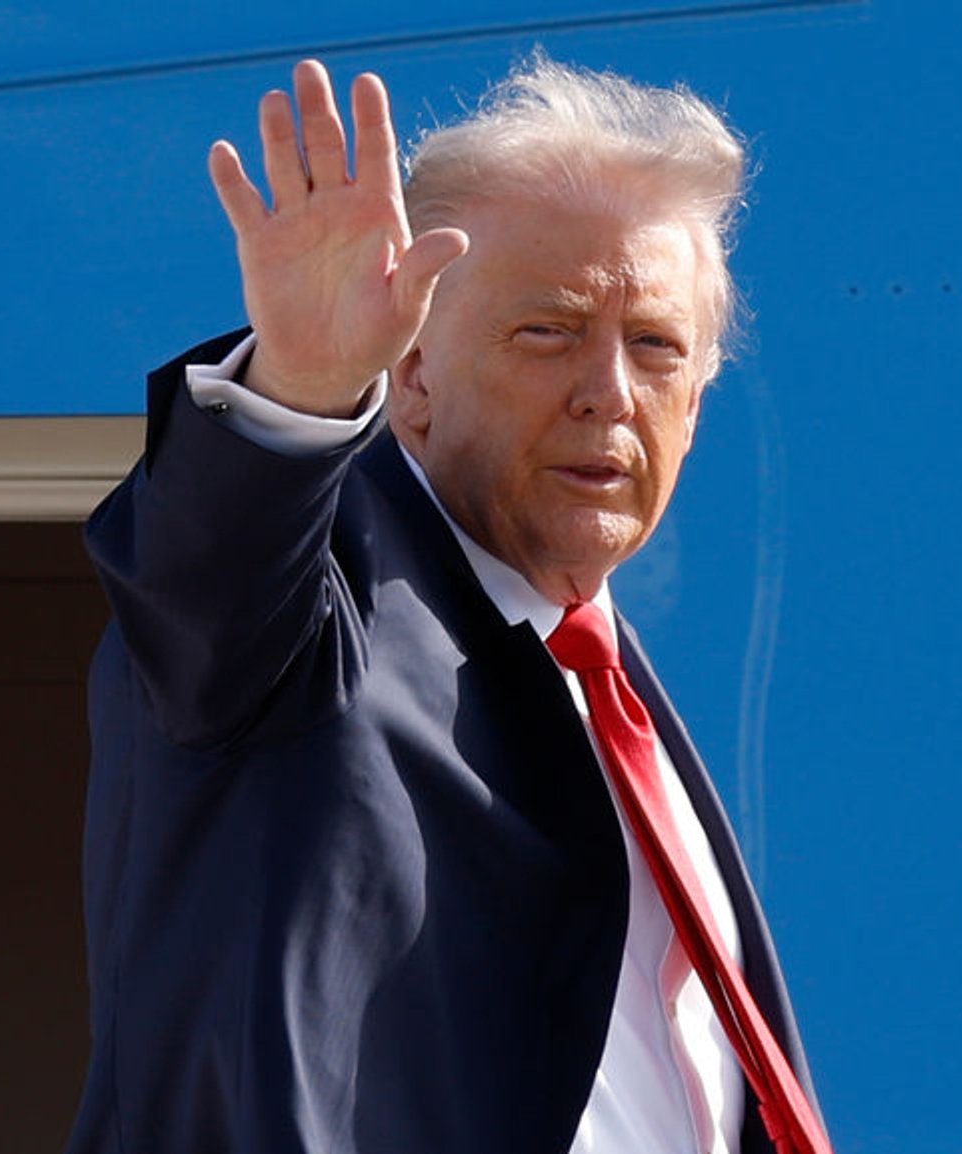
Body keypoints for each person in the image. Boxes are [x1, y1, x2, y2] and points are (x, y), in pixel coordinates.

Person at [71, 54, 828, 1154]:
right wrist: (300, 386)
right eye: (548, 331)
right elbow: (203, 585)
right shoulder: (321, 607)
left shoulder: (599, 678)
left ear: (697, 403)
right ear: (412, 371)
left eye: (656, 346)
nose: (608, 392)